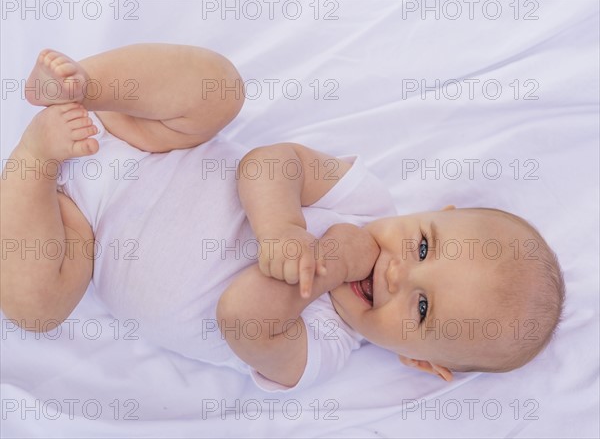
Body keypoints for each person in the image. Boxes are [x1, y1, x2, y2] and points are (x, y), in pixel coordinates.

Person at [0, 44, 565, 392]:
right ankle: (83, 86)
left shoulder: (324, 350)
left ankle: (33, 158)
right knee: (218, 87)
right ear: (436, 214)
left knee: (37, 307)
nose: (397, 274)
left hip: (81, 233)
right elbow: (267, 162)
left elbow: (242, 319)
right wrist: (282, 229)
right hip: (152, 140)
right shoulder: (363, 201)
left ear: (419, 359)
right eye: (421, 247)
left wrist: (324, 268)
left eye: (421, 307)